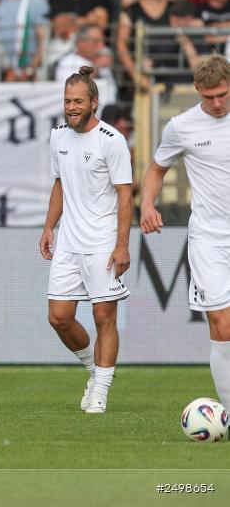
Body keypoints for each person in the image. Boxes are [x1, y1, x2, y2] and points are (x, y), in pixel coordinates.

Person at [40, 66, 132, 415]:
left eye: (78, 101)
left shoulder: (112, 140)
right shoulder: (58, 137)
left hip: (102, 243)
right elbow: (60, 184)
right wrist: (49, 226)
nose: (71, 107)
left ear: (94, 102)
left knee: (103, 316)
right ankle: (94, 371)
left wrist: (122, 245)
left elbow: (125, 196)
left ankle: (101, 392)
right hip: (68, 241)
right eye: (67, 101)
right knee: (58, 317)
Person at [140, 55, 230, 412]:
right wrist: (147, 205)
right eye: (209, 97)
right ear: (196, 90)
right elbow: (156, 169)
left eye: (223, 94)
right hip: (208, 238)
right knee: (222, 325)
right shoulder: (180, 127)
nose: (217, 103)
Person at [54, 23, 117, 106]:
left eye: (103, 41)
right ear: (81, 43)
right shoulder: (67, 63)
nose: (101, 46)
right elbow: (72, 93)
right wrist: (96, 69)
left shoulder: (102, 61)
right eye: (96, 41)